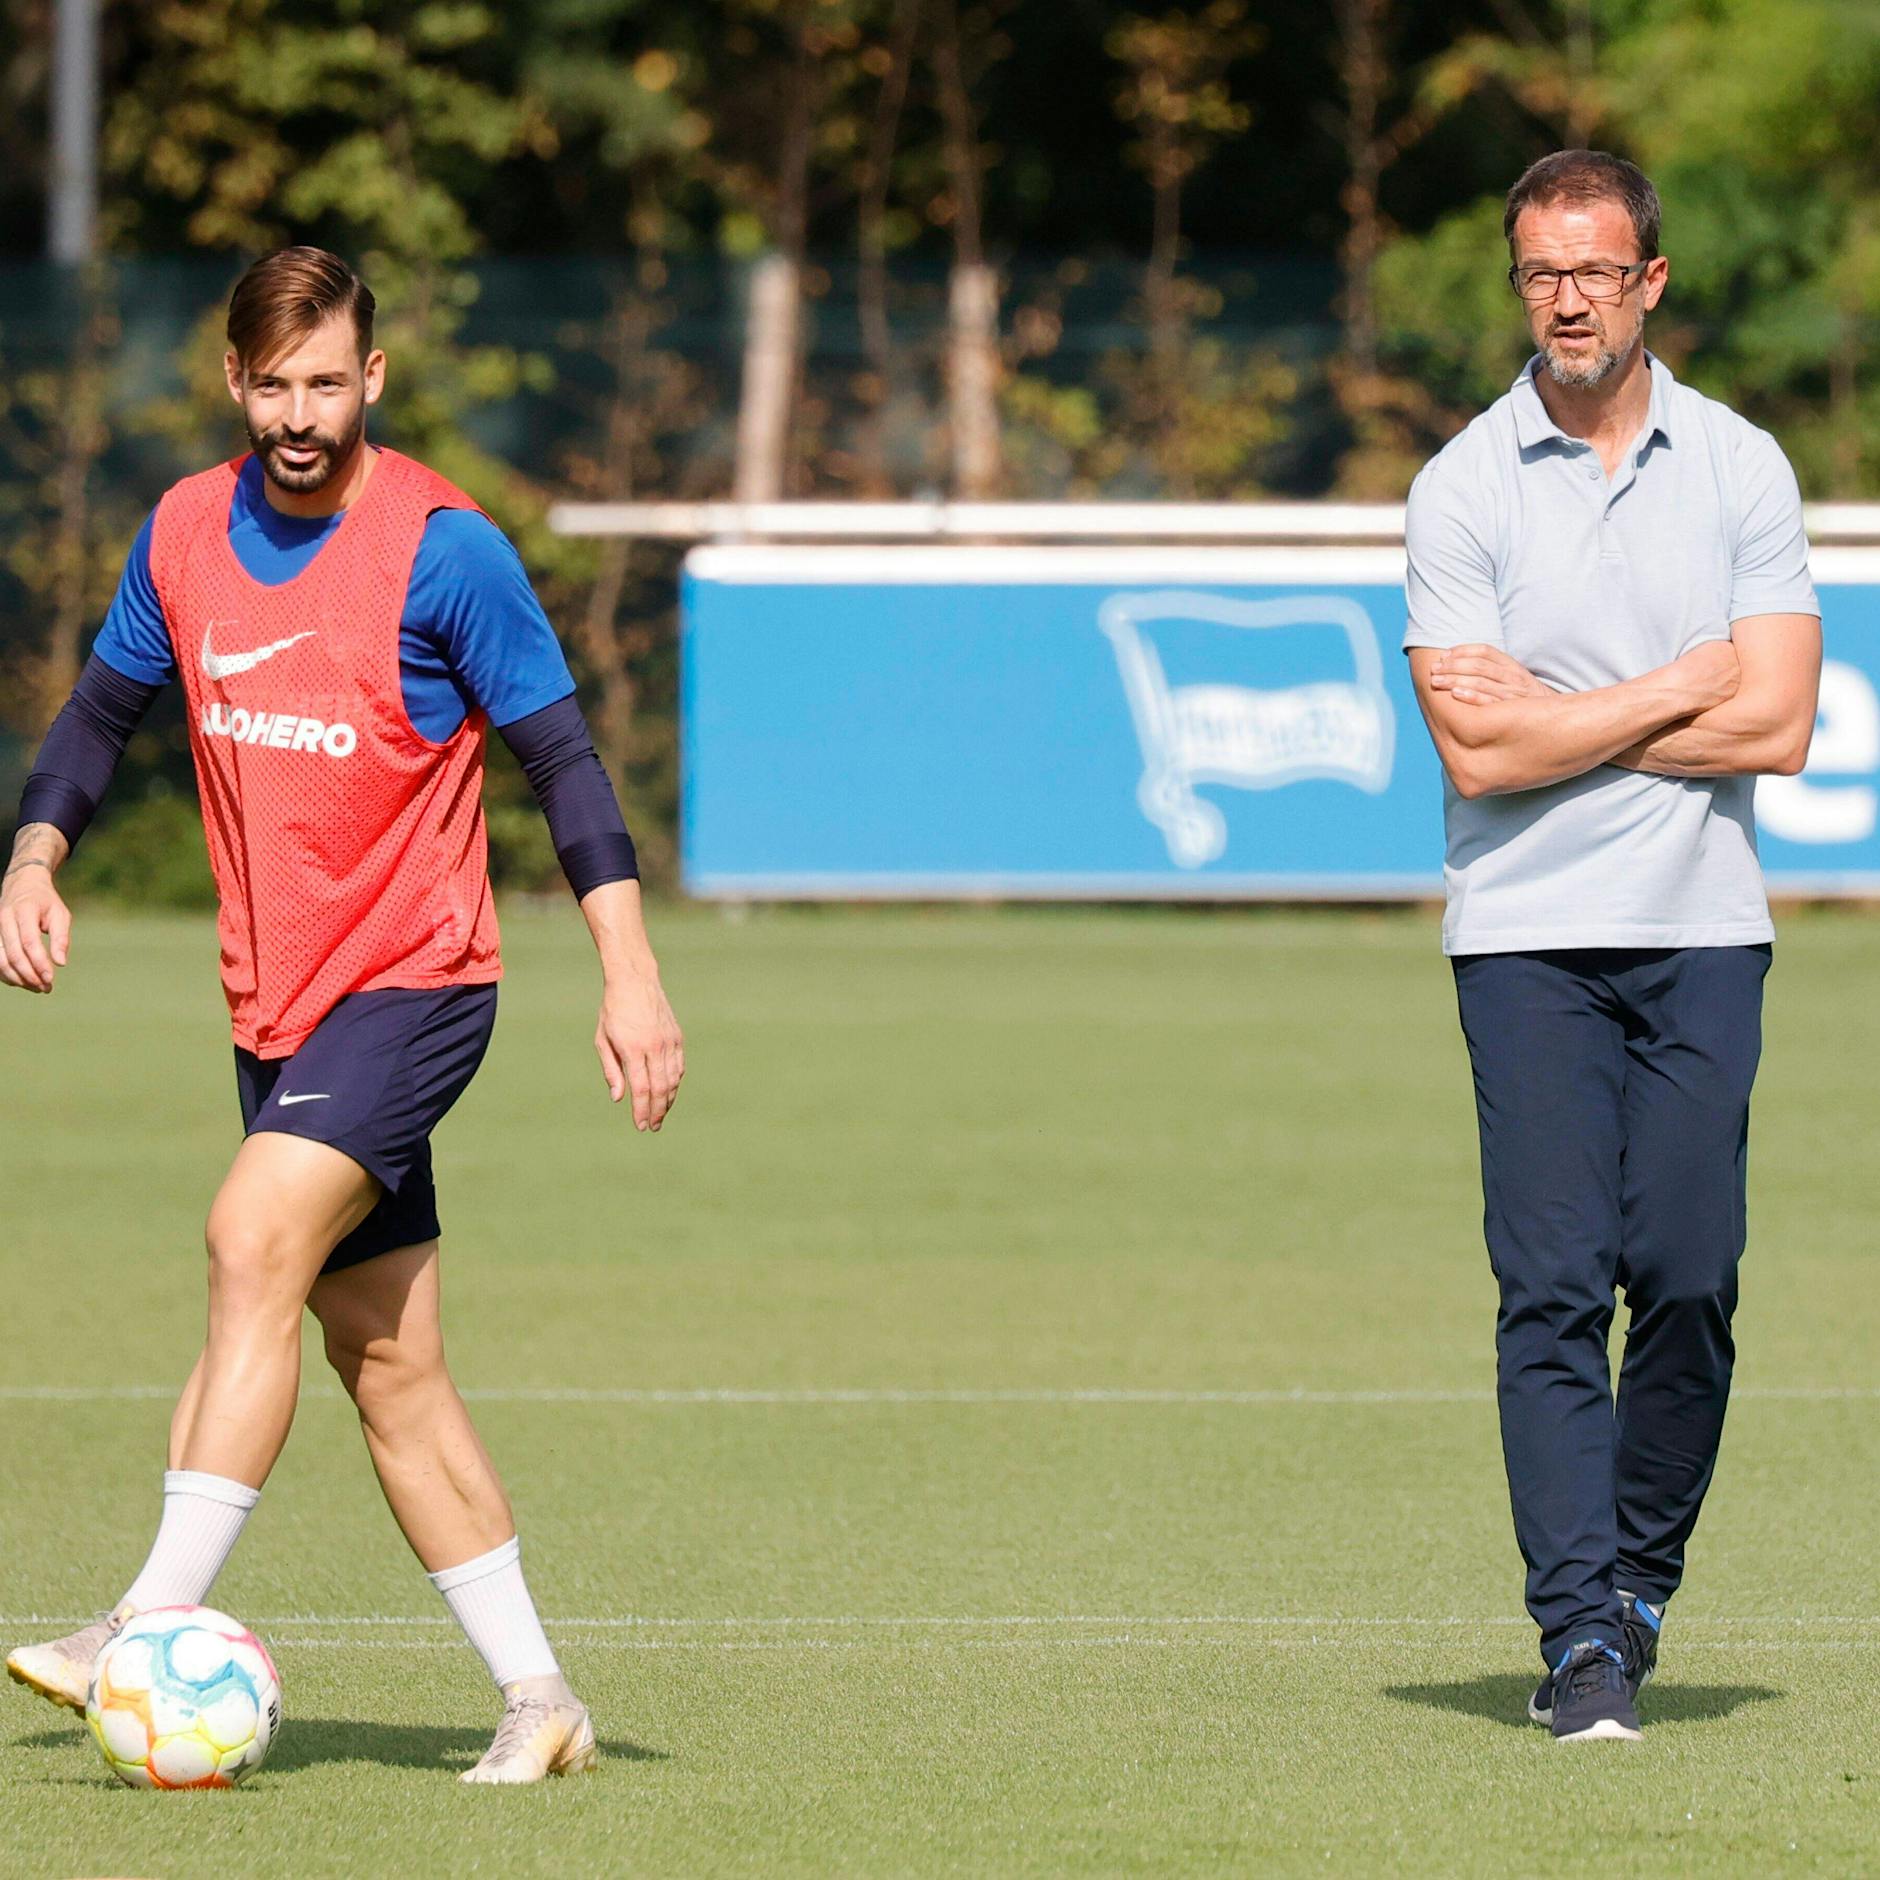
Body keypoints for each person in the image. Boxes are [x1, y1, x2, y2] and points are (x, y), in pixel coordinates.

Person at [1, 246, 684, 1783]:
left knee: (248, 1240)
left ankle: (143, 1618)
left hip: (417, 985)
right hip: (279, 1005)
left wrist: (629, 973)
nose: (301, 414)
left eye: (330, 383)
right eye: (274, 384)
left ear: (373, 376)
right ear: (235, 380)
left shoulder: (445, 550)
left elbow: (565, 767)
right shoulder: (184, 531)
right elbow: (103, 714)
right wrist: (36, 856)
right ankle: (542, 1697)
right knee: (386, 1362)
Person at [1402, 152, 1821, 1743]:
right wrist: (1668, 691)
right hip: (1522, 940)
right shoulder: (1462, 485)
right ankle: (1581, 1632)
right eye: (1537, 274)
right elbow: (1478, 760)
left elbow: (1777, 724)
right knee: (1555, 1286)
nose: (1565, 299)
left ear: (1651, 281)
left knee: (1694, 1278)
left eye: (1593, 271)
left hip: (1703, 932)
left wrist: (1563, 714)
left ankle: (1642, 1586)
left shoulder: (1741, 468)